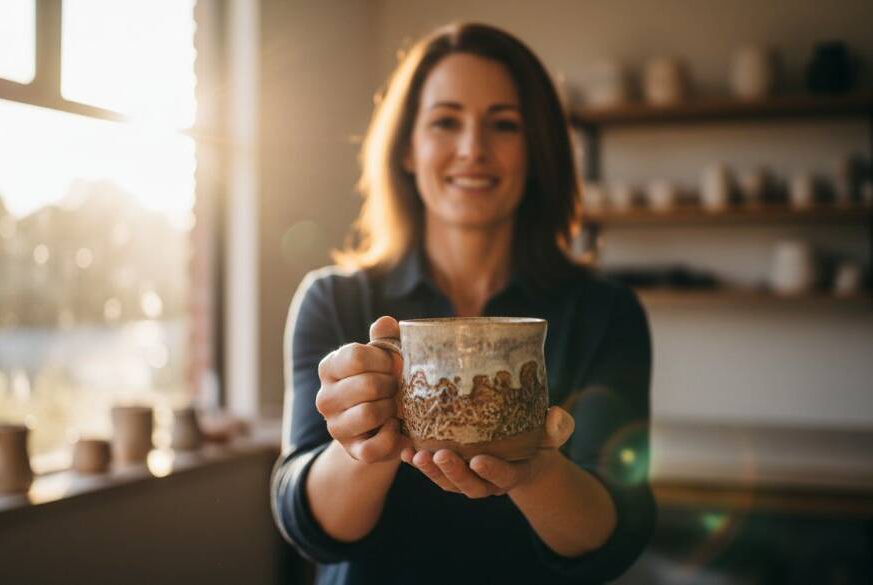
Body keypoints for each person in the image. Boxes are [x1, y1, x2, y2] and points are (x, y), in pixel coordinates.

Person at [271, 22, 655, 585]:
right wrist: (364, 444)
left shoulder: (604, 312)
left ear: (538, 151)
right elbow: (307, 525)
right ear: (407, 148)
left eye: (504, 124)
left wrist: (533, 469)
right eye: (445, 121)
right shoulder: (334, 299)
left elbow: (615, 533)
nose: (473, 148)